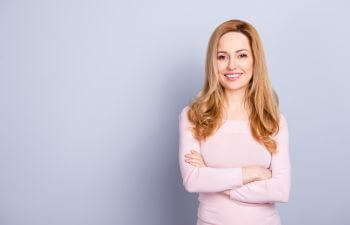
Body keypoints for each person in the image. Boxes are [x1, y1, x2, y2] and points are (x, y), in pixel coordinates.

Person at [178, 19, 291, 225]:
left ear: (255, 60)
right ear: (213, 62)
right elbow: (193, 181)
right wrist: (252, 173)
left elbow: (281, 190)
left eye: (242, 55)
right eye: (222, 57)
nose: (232, 65)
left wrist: (216, 181)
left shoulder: (272, 121)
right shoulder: (194, 116)